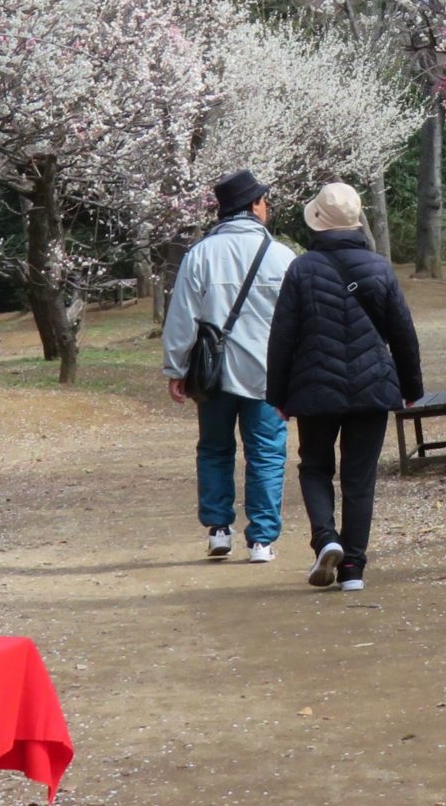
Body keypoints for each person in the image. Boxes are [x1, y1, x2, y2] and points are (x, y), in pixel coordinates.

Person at [264, 182, 422, 593]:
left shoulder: (302, 269)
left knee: (315, 467)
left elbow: (282, 336)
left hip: (315, 388)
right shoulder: (379, 268)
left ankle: (325, 538)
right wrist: (411, 387)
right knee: (359, 478)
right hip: (372, 387)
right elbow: (403, 333)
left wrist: (277, 395)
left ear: (318, 222)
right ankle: (353, 568)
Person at [162, 168, 295, 563]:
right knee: (266, 454)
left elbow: (182, 317)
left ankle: (219, 530)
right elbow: (297, 320)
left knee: (214, 450)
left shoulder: (200, 254)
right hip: (267, 375)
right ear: (253, 205)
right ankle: (262, 541)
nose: (267, 206)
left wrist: (176, 368)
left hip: (212, 374)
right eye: (264, 200)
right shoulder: (281, 256)